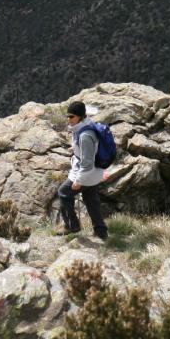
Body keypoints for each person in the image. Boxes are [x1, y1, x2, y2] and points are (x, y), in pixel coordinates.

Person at [57, 102, 107, 240]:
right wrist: (75, 149)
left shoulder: (85, 135)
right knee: (91, 200)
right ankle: (101, 231)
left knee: (64, 192)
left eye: (71, 116)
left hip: (87, 173)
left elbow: (87, 162)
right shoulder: (85, 126)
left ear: (79, 117)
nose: (68, 119)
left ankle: (72, 225)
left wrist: (78, 181)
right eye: (67, 116)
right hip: (95, 172)